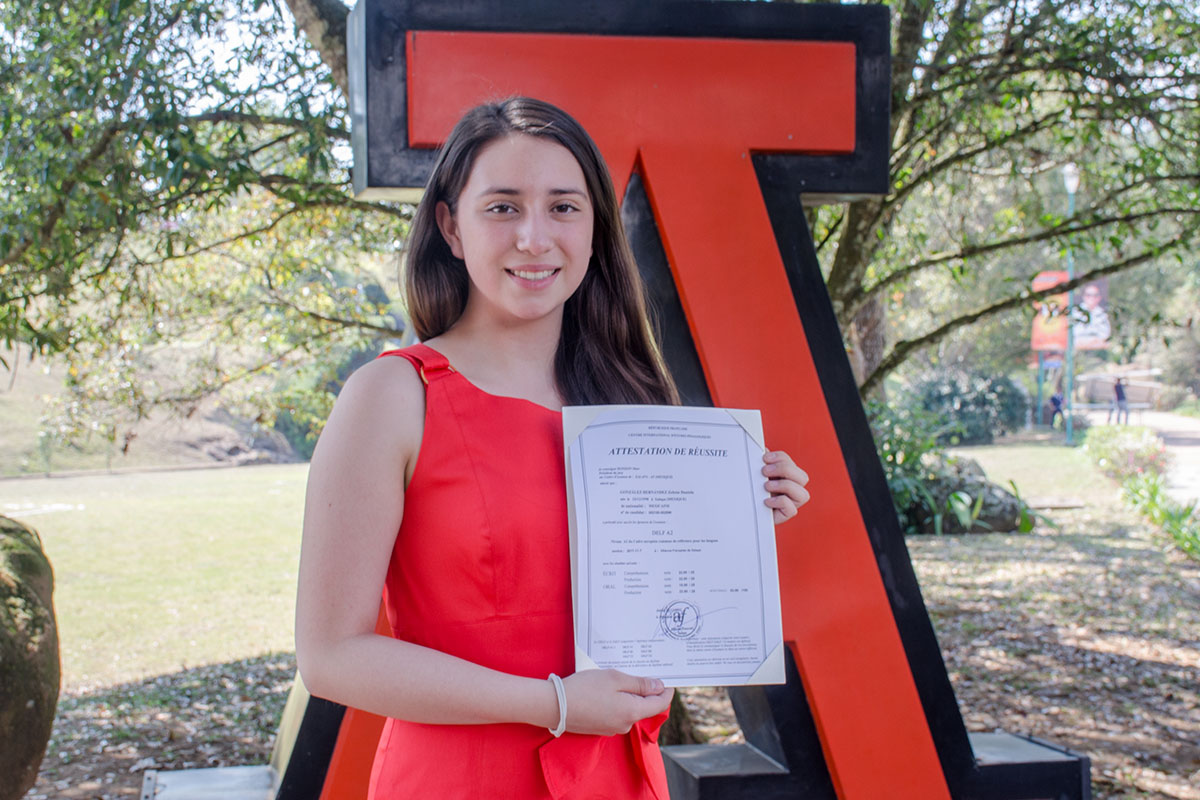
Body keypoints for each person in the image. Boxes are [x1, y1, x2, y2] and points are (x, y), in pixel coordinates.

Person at [294, 97, 812, 799]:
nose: (535, 238)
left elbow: (663, 615)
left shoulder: (629, 407)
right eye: (503, 207)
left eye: (564, 208)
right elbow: (331, 657)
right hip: (458, 782)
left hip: (617, 779)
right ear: (450, 226)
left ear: (595, 229)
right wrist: (557, 705)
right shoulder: (392, 396)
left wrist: (738, 515)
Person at [1072, 282, 1111, 350]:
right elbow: (1074, 333)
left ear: (1099, 298)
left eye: (1095, 295)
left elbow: (1105, 335)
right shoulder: (1076, 312)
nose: (1092, 298)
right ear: (1083, 297)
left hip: (1097, 348)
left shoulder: (1102, 314)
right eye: (1088, 295)